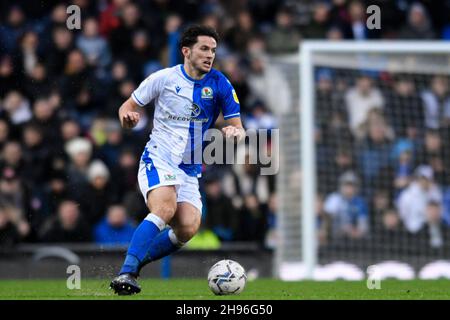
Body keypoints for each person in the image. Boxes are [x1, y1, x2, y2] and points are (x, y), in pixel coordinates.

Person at [109, 25, 244, 295]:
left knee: (188, 227)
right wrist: (127, 119)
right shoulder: (163, 79)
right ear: (186, 51)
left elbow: (237, 127)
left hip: (191, 167)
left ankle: (135, 266)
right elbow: (128, 107)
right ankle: (126, 272)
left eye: (213, 50)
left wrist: (233, 132)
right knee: (165, 208)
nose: (210, 55)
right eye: (204, 48)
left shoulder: (221, 84)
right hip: (159, 157)